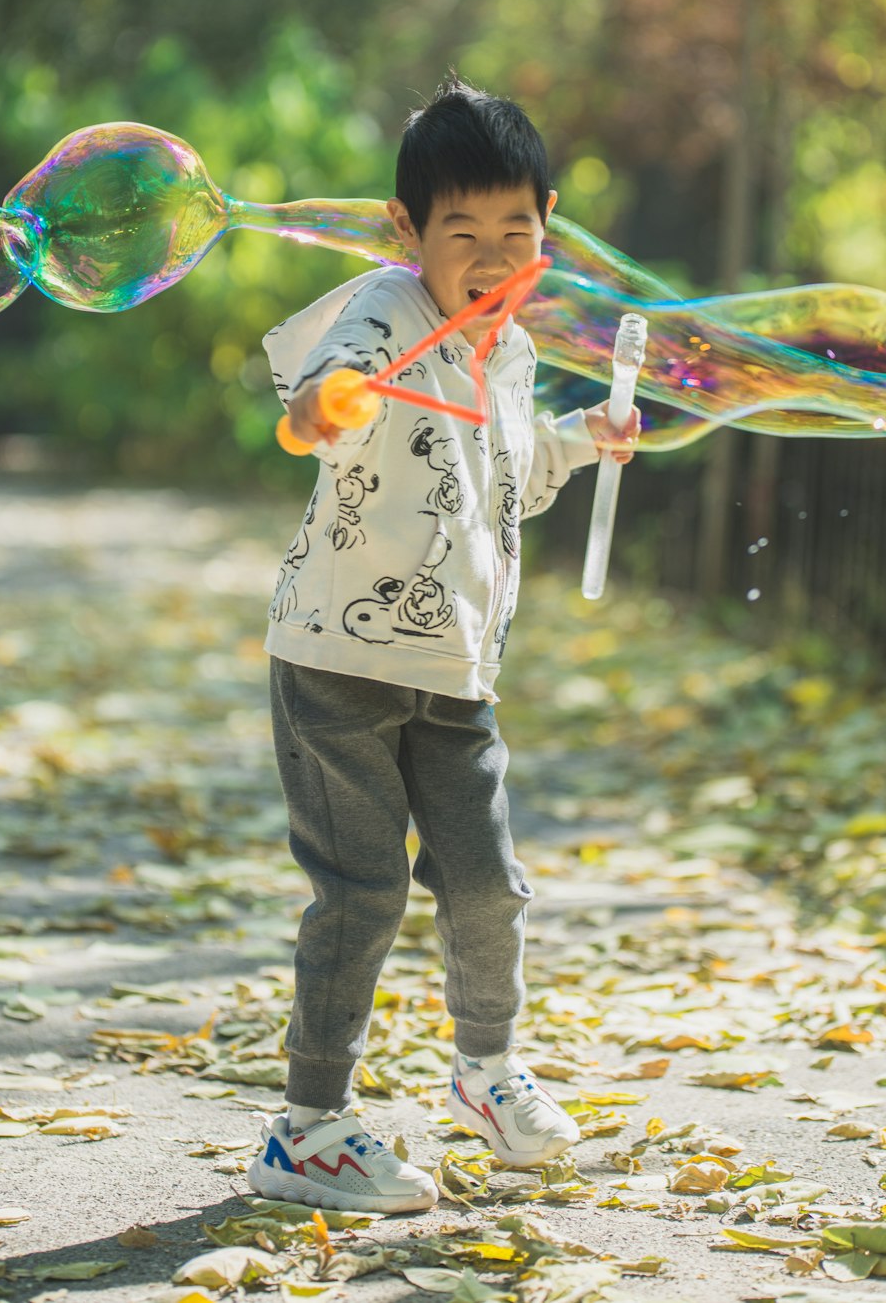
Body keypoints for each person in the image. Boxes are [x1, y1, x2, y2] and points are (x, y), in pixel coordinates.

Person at [249, 76, 641, 1216]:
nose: (487, 253)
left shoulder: (508, 351)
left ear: (546, 224)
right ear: (405, 229)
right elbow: (327, 389)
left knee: (488, 885)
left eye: (513, 230)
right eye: (458, 231)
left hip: (455, 672)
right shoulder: (383, 306)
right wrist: (326, 403)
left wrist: (584, 436)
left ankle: (485, 1070)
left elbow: (507, 479)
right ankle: (307, 1128)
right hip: (335, 665)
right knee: (361, 892)